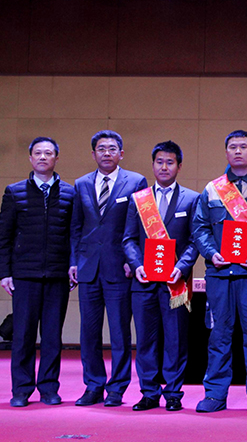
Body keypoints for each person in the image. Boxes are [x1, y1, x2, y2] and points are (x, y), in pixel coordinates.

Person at [192, 130, 247, 414]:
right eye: (233, 147)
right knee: (219, 335)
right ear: (226, 152)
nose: (238, 151)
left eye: (244, 147)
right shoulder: (212, 188)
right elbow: (200, 228)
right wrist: (211, 253)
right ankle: (214, 395)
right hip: (220, 273)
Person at [70, 130, 148, 407]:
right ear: (93, 154)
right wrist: (73, 261)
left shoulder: (136, 181)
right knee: (89, 333)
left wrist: (134, 260)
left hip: (120, 268)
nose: (106, 153)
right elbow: (75, 227)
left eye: (112, 148)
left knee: (119, 333)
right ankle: (93, 386)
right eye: (101, 149)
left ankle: (117, 388)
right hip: (88, 268)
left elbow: (141, 226)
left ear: (121, 154)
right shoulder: (81, 184)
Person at [123, 141, 199, 412]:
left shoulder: (192, 199)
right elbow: (129, 239)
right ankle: (149, 392)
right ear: (153, 164)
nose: (164, 167)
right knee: (145, 339)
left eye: (170, 162)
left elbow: (195, 240)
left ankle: (174, 393)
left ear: (179, 166)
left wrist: (183, 266)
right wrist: (136, 264)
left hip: (175, 283)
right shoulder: (139, 199)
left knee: (175, 340)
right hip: (143, 281)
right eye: (159, 162)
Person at [0, 137, 74, 407]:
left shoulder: (70, 193)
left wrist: (72, 265)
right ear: (30, 158)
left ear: (56, 158)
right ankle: (21, 390)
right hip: (24, 275)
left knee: (52, 336)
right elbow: (4, 236)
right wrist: (4, 272)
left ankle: (49, 388)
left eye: (48, 153)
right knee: (23, 335)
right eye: (38, 153)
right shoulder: (14, 191)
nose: (43, 157)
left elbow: (74, 235)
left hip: (57, 275)